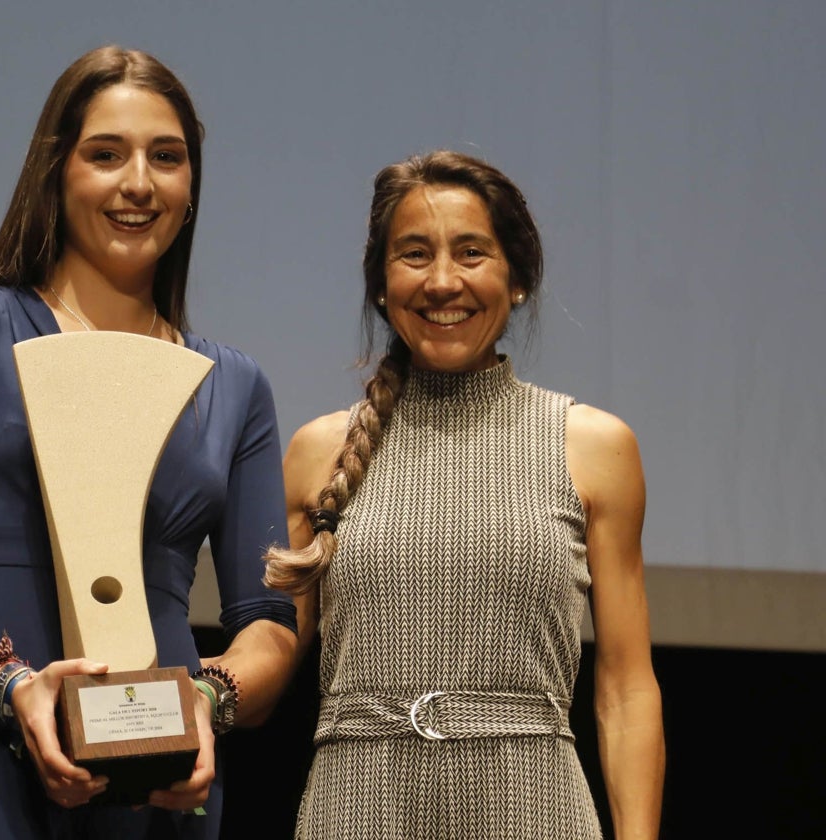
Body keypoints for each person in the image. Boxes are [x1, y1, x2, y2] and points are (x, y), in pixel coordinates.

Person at [0, 45, 298, 840]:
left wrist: (205, 702)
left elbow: (270, 625)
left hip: (162, 780)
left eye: (168, 158)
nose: (139, 183)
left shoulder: (234, 384)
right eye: (106, 154)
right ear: (58, 173)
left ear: (191, 188)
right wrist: (5, 684)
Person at [265, 150, 665, 839]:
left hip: (533, 808)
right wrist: (166, 694)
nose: (443, 281)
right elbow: (265, 658)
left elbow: (626, 691)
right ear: (382, 285)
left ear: (517, 280)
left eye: (472, 253)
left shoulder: (593, 447)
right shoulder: (317, 453)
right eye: (414, 254)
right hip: (356, 810)